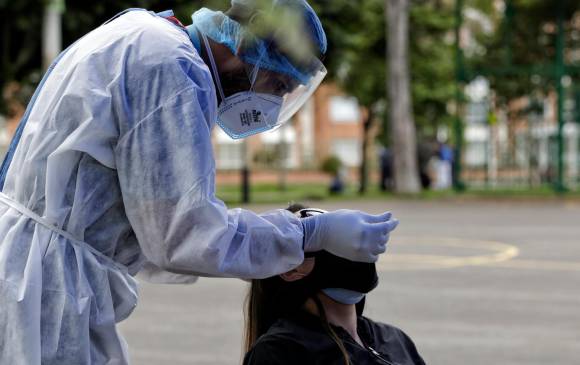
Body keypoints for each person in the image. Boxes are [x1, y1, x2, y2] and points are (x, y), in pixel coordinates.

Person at [0, 1, 400, 364]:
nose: (272, 103)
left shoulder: (146, 36)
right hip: (44, 288)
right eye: (277, 85)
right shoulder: (170, 67)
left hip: (40, 274)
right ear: (248, 43)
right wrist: (308, 233)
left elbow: (155, 229)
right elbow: (184, 234)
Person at [243, 205, 423, 365]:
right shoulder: (282, 350)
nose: (350, 248)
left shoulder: (394, 339)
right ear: (290, 270)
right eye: (329, 241)